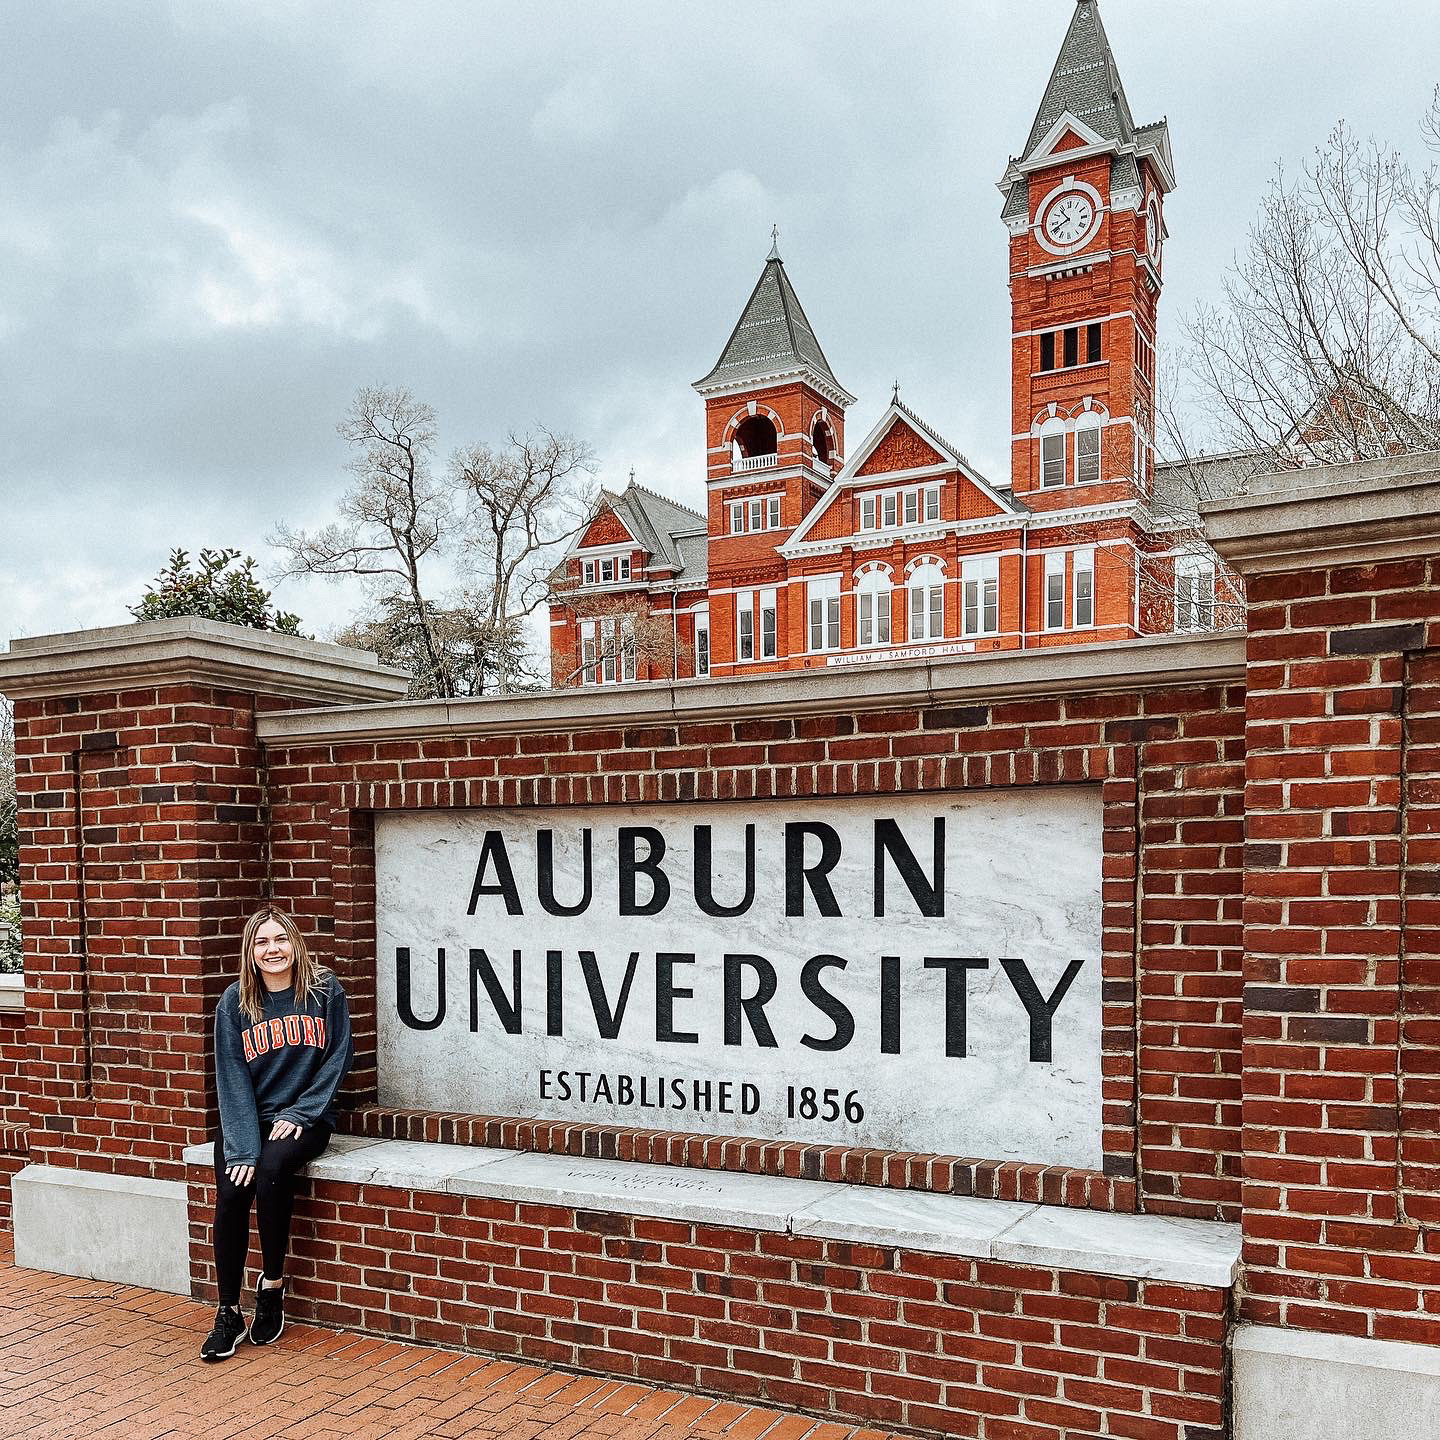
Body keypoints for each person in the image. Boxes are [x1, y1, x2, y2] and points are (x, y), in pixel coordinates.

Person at [200, 905, 354, 1362]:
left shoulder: (324, 991)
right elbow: (231, 1076)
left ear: (296, 943)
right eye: (262, 942)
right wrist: (243, 1146)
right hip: (250, 1118)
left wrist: (304, 1112)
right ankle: (228, 1311)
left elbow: (339, 1056)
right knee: (231, 1189)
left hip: (306, 1119)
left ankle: (271, 1285)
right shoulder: (235, 1002)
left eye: (280, 939)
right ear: (250, 951)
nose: (273, 949)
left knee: (270, 1170)